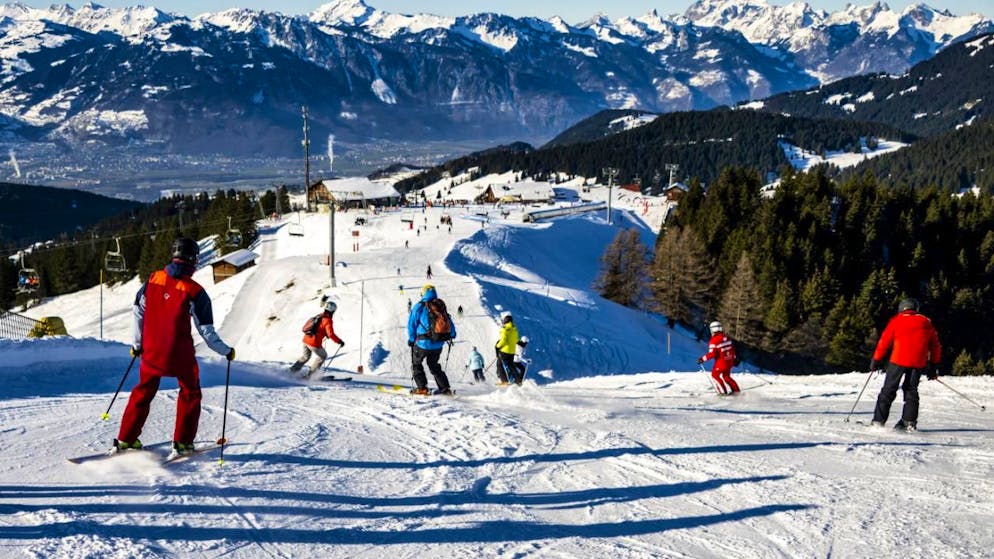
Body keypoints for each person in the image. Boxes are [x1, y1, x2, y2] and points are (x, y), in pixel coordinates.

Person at [115, 238, 235, 456]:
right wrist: (226, 351)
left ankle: (126, 439)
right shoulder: (195, 291)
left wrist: (137, 344)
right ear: (194, 259)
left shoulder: (153, 279)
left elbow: (138, 312)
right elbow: (206, 331)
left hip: (151, 352)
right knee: (190, 392)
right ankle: (183, 443)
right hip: (179, 356)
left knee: (143, 391)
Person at [869, 298, 941, 432]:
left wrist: (876, 360)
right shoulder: (926, 322)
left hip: (898, 360)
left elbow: (884, 342)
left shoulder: (896, 321)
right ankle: (909, 422)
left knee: (888, 389)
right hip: (918, 362)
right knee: (911, 390)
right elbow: (935, 346)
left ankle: (878, 421)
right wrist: (933, 365)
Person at [407, 284, 455, 395]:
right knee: (434, 365)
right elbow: (448, 322)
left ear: (423, 293)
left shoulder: (419, 306)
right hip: (438, 343)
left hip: (423, 343)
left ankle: (422, 388)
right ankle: (445, 389)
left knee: (416, 364)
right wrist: (452, 334)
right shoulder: (440, 305)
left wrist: (411, 339)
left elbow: (411, 324)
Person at [289, 299, 344, 377]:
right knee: (323, 356)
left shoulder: (319, 315)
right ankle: (310, 376)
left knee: (305, 357)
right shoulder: (328, 320)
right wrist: (339, 341)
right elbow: (331, 334)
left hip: (306, 339)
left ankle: (292, 371)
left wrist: (324, 333)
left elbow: (317, 327)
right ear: (333, 311)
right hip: (314, 343)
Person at [697, 321, 740, 395]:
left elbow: (712, 354)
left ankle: (722, 392)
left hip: (721, 363)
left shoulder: (714, 340)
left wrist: (702, 359)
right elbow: (732, 349)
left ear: (713, 329)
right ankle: (736, 391)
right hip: (729, 361)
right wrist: (734, 358)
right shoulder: (727, 338)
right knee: (726, 377)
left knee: (715, 375)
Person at [495, 311, 519, 385]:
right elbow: (516, 340)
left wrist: (497, 346)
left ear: (505, 321)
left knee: (499, 364)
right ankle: (517, 380)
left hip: (505, 351)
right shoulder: (514, 329)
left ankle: (504, 380)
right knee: (511, 365)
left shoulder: (505, 329)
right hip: (512, 351)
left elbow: (504, 340)